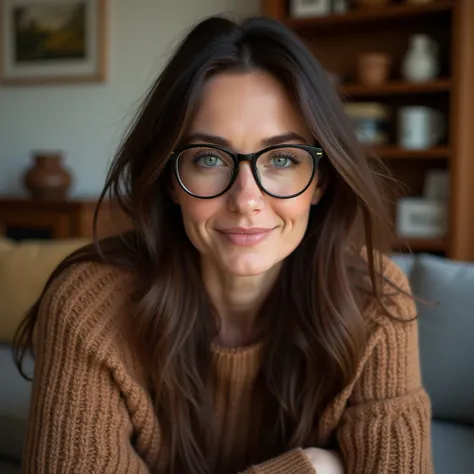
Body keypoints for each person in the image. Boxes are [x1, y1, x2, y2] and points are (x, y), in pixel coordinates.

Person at [14, 15, 432, 474]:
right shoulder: (86, 306)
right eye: (209, 158)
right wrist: (311, 468)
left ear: (320, 182)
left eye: (283, 159)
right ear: (171, 180)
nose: (246, 200)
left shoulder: (375, 299)